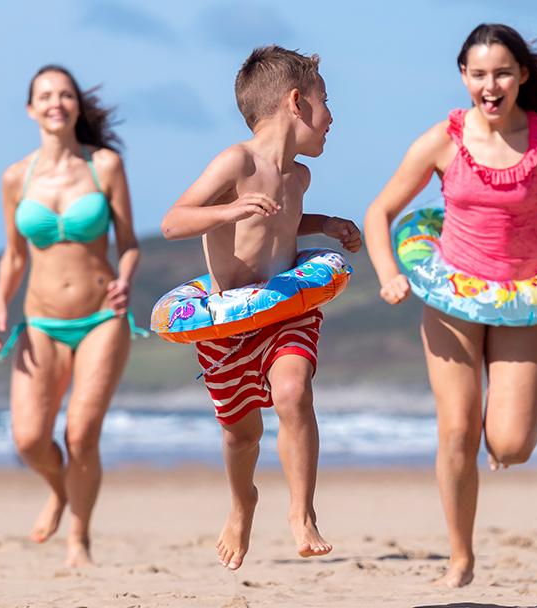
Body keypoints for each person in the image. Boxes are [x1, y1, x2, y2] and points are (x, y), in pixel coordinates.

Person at [363, 24, 537, 588]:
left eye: (502, 72)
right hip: (451, 295)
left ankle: (501, 436)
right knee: (457, 431)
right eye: (478, 74)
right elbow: (379, 213)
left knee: (511, 444)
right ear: (463, 76)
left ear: (522, 76)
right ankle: (460, 557)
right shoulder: (442, 140)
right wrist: (388, 274)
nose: (490, 84)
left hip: (520, 299)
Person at [160, 45, 362, 571]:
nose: (331, 116)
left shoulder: (299, 178)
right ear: (296, 103)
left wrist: (326, 225)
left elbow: (281, 223)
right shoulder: (236, 162)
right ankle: (242, 500)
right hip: (227, 322)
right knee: (240, 433)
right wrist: (229, 207)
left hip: (286, 310)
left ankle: (302, 512)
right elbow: (174, 221)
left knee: (293, 391)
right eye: (325, 101)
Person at [0, 65, 145, 569]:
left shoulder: (105, 167)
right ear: (31, 109)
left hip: (102, 317)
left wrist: (126, 279)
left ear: (76, 106)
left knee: (80, 434)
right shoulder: (16, 177)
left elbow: (130, 244)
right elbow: (13, 255)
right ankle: (58, 489)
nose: (56, 102)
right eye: (45, 95)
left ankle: (80, 539)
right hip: (39, 322)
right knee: (30, 439)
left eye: (65, 94)